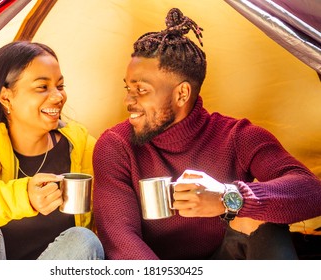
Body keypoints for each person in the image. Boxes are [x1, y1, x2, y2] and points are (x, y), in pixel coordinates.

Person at [92, 8, 321, 260]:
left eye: (141, 90)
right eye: (128, 88)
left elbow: (312, 192)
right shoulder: (115, 146)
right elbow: (119, 240)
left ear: (182, 94)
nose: (128, 100)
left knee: (255, 217)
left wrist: (229, 197)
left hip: (224, 260)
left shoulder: (236, 136)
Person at [0, 41, 104, 260]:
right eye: (42, 87)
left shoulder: (82, 148)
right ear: (6, 98)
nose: (58, 96)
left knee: (82, 239)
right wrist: (21, 197)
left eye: (60, 86)